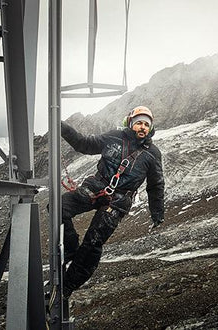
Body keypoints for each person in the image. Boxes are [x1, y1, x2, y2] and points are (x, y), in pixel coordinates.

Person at [58, 105, 165, 298]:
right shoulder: (114, 137)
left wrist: (157, 213)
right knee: (58, 208)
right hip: (96, 187)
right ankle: (71, 247)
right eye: (139, 123)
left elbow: (155, 186)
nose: (142, 127)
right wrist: (63, 128)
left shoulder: (152, 154)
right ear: (130, 123)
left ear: (150, 128)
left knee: (93, 243)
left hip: (118, 202)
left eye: (146, 125)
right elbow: (84, 144)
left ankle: (67, 286)